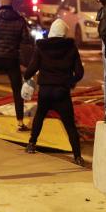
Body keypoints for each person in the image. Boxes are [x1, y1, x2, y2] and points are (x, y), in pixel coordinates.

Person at [24, 19, 85, 166]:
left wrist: (27, 77)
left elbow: (31, 69)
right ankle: (77, 156)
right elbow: (79, 72)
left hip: (45, 91)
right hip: (62, 92)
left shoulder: (41, 47)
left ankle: (32, 143)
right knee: (69, 125)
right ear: (64, 33)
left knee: (39, 116)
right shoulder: (71, 48)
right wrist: (69, 82)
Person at [0, 0, 32, 130]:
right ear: (12, 2)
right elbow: (26, 39)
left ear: (0, 1)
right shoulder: (20, 20)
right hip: (12, 58)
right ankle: (20, 122)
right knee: (17, 90)